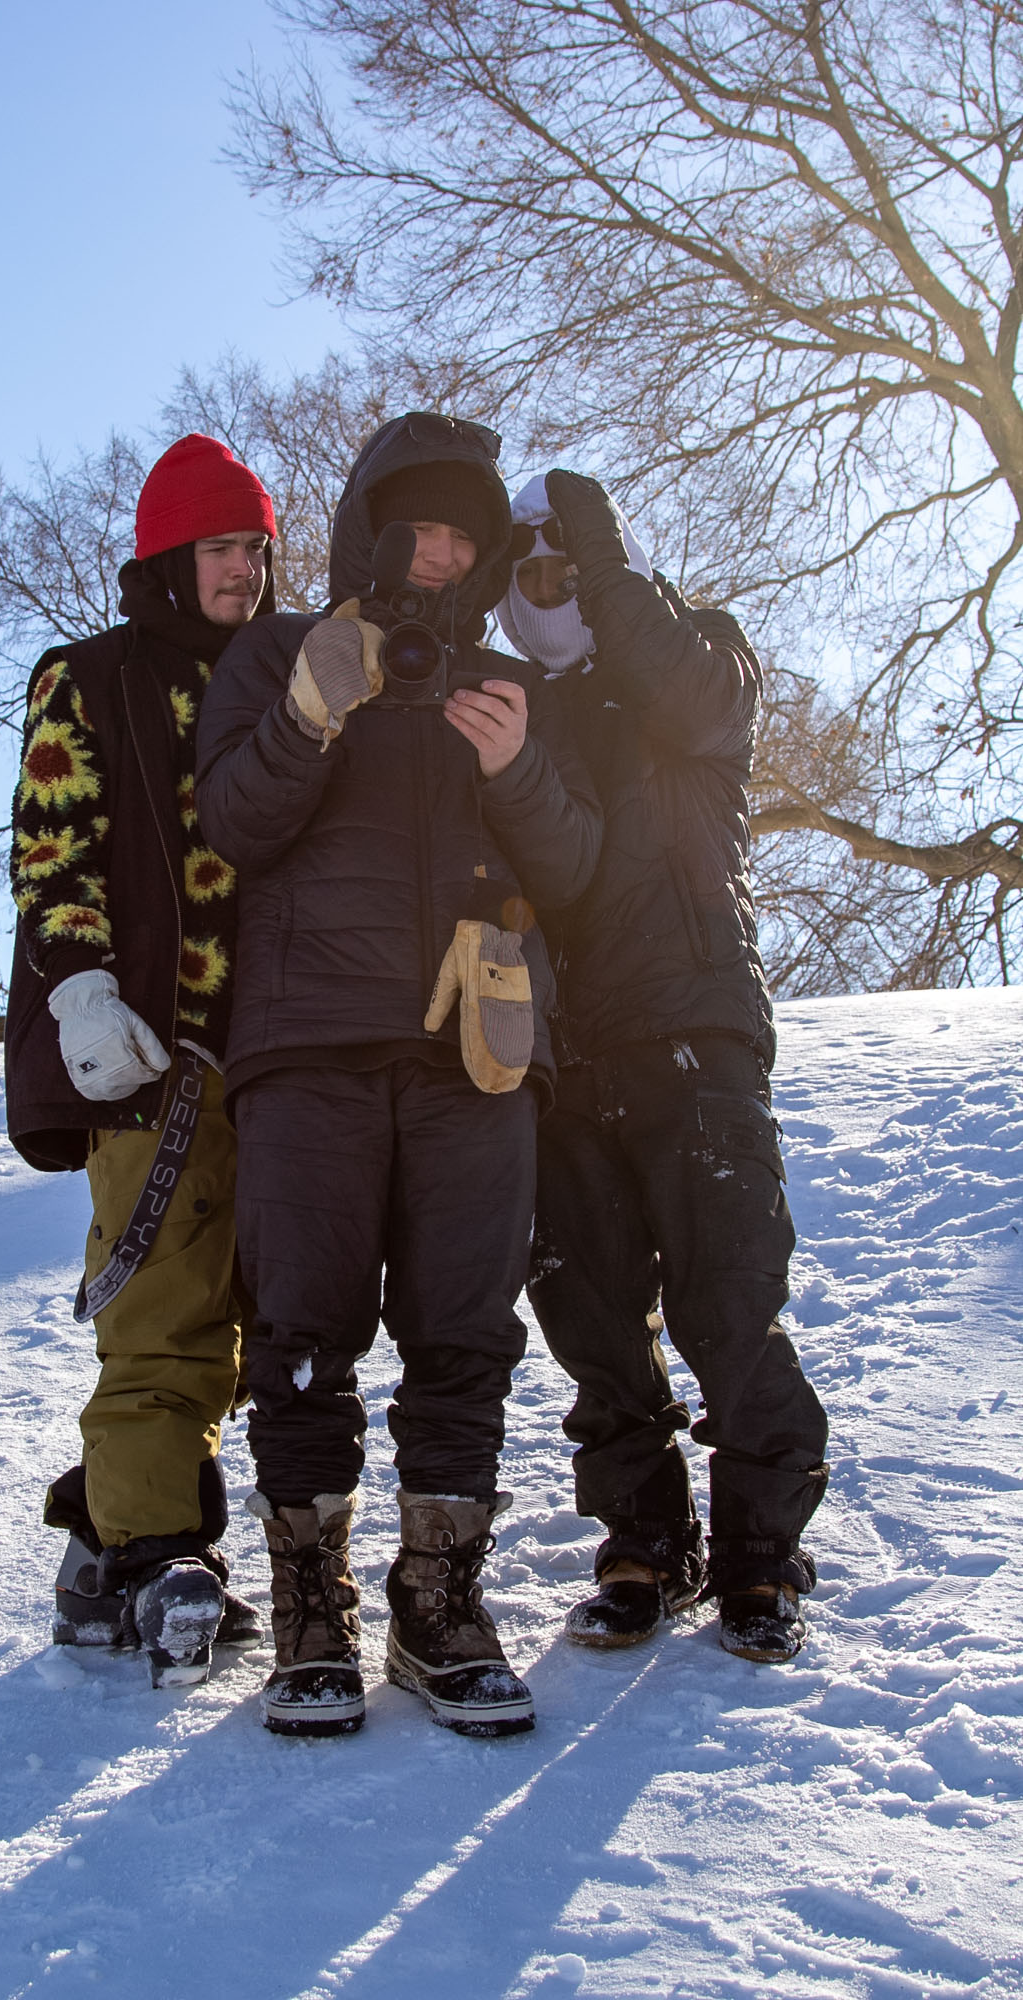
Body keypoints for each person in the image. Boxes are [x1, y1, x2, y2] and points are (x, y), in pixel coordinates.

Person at [195, 412, 603, 1736]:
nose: (437, 555)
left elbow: (577, 871)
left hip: (477, 1058)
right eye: (417, 527)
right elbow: (234, 827)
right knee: (302, 1329)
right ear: (370, 527)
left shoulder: (502, 686)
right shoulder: (275, 651)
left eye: (461, 538)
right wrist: (312, 709)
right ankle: (312, 1612)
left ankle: (440, 1605)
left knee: (465, 1331)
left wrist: (519, 767)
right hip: (308, 1038)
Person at [498, 468, 829, 1664]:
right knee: (588, 1314)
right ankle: (643, 1540)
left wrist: (597, 546)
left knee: (727, 1301)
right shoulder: (512, 704)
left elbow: (687, 701)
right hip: (563, 1054)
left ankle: (757, 1551)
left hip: (692, 1027)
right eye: (526, 574)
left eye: (568, 566)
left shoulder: (702, 654)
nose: (551, 591)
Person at [3, 433, 278, 1687]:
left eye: (261, 550)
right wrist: (82, 990)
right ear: (170, 555)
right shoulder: (91, 677)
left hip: (283, 1050)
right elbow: (52, 851)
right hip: (151, 1056)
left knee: (269, 1318)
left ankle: (143, 1525)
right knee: (163, 1313)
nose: (248, 571)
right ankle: (144, 1555)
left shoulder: (285, 681)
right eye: (226, 548)